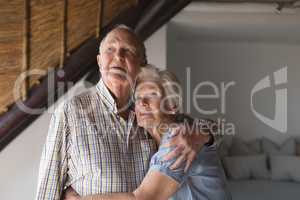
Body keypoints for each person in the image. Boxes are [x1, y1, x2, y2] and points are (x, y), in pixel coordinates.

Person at [35, 25, 213, 200]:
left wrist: (204, 135)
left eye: (128, 51)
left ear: (142, 64)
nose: (118, 56)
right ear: (99, 61)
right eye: (110, 49)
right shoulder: (70, 112)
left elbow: (209, 129)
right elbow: (47, 191)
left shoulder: (150, 115)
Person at [77, 66, 229, 200]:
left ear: (172, 105)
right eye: (137, 98)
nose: (142, 103)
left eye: (152, 95)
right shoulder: (150, 141)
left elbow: (143, 198)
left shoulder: (178, 139)